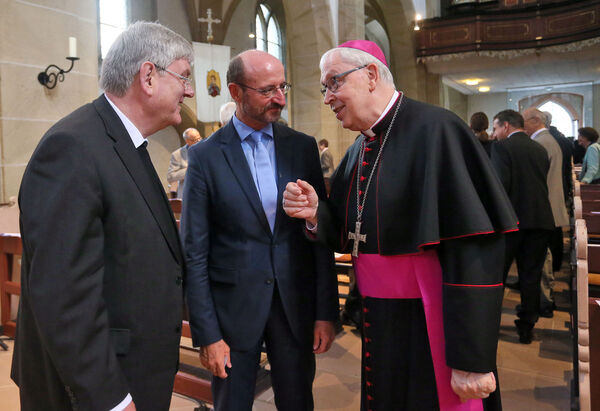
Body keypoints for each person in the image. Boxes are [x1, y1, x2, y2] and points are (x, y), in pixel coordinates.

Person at [283, 40, 518, 411]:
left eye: (333, 83)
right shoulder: (360, 148)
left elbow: (476, 247)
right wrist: (315, 214)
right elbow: (348, 228)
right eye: (324, 88)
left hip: (432, 317)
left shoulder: (438, 129)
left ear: (371, 75)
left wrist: (471, 358)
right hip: (380, 315)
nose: (328, 97)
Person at [12, 21, 193, 410]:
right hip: (95, 386)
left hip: (135, 367)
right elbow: (64, 296)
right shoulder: (72, 147)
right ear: (148, 76)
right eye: (184, 76)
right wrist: (110, 398)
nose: (190, 90)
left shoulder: (127, 143)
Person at [181, 50, 339, 411]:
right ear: (235, 92)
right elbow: (195, 251)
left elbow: (318, 236)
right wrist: (207, 334)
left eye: (282, 86)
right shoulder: (206, 157)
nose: (280, 98)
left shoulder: (301, 147)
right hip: (233, 312)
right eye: (267, 90)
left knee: (298, 401)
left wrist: (325, 312)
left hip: (294, 307)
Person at [490, 110, 555, 344]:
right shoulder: (539, 148)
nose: (494, 133)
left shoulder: (501, 148)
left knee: (497, 275)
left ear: (506, 126)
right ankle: (527, 326)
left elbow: (499, 186)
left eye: (496, 128)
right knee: (531, 275)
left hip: (511, 222)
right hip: (539, 219)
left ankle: (489, 324)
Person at [522, 107, 569, 318]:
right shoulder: (548, 139)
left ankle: (545, 301)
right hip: (549, 207)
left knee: (543, 260)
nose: (521, 127)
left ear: (533, 121)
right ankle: (545, 300)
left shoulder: (541, 142)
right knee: (543, 258)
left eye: (523, 122)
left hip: (545, 208)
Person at [167, 127, 202, 198]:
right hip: (187, 195)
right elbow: (171, 177)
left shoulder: (206, 150)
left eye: (200, 138)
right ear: (187, 141)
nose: (199, 141)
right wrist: (189, 169)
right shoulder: (177, 154)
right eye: (195, 140)